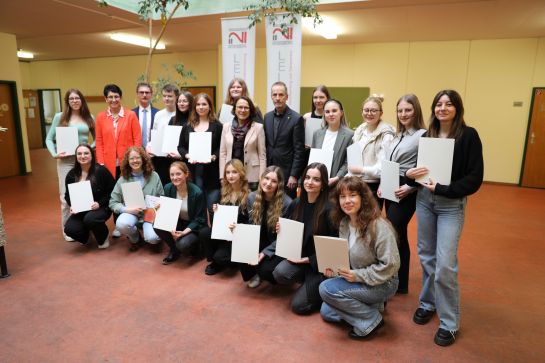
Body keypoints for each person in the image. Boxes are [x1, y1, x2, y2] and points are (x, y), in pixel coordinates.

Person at [406, 89, 483, 347]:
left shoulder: (469, 136)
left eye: (448, 104)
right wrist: (410, 174)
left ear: (457, 109)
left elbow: (474, 178)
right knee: (427, 257)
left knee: (446, 265)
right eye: (439, 104)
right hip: (425, 202)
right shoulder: (427, 135)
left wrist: (443, 189)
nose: (442, 108)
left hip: (451, 205)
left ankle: (449, 322)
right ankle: (428, 303)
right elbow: (420, 172)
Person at [319, 177, 400, 340]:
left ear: (363, 198)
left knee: (326, 289)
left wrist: (358, 275)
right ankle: (373, 306)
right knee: (326, 312)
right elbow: (346, 257)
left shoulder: (379, 226)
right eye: (342, 197)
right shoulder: (344, 223)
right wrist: (335, 270)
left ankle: (372, 320)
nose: (347, 201)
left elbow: (391, 265)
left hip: (384, 282)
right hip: (359, 278)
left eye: (353, 195)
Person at [271, 163, 337, 314]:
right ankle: (307, 284)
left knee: (298, 307)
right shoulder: (296, 203)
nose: (310, 182)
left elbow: (333, 249)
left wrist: (307, 260)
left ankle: (321, 287)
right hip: (301, 259)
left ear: (323, 184)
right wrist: (280, 230)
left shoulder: (330, 209)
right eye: (307, 177)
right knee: (279, 273)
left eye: (316, 179)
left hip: (321, 266)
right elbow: (287, 233)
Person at [379, 94, 426, 295]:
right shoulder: (399, 135)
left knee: (394, 229)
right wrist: (383, 183)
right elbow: (389, 163)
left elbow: (425, 167)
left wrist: (410, 187)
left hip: (407, 189)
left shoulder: (423, 135)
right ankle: (400, 282)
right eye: (400, 110)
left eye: (408, 110)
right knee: (398, 234)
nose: (403, 114)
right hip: (390, 185)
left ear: (415, 111)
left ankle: (396, 279)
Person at [45, 89, 95, 241]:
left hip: (84, 161)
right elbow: (49, 138)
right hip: (66, 161)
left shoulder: (89, 117)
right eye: (71, 98)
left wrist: (88, 149)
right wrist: (54, 153)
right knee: (64, 196)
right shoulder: (60, 117)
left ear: (82, 100)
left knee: (86, 194)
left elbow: (98, 138)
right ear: (67, 101)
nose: (74, 101)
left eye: (77, 98)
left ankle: (86, 226)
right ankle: (67, 230)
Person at [238, 166, 293, 288]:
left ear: (279, 184)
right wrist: (237, 230)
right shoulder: (252, 197)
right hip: (258, 239)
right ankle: (253, 274)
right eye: (266, 178)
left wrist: (263, 253)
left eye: (274, 181)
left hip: (276, 244)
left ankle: (264, 274)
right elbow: (249, 224)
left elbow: (285, 239)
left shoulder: (287, 203)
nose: (268, 183)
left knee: (266, 270)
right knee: (239, 245)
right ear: (261, 178)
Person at [109, 146, 164, 252]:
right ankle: (136, 239)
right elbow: (113, 202)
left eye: (138, 158)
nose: (135, 161)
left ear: (143, 159)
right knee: (121, 224)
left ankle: (151, 234)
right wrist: (126, 209)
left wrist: (157, 206)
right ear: (127, 161)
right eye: (132, 158)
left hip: (150, 215)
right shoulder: (123, 179)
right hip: (132, 213)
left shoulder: (154, 176)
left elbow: (162, 197)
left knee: (153, 239)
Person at [202, 159, 250, 275]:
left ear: (241, 173)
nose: (230, 175)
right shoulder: (223, 192)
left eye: (234, 172)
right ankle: (214, 260)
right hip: (225, 233)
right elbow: (216, 223)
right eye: (227, 172)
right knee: (204, 233)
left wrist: (237, 229)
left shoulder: (249, 195)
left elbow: (251, 222)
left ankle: (230, 260)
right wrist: (216, 212)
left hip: (239, 234)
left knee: (222, 258)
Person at [177, 93, 222, 214]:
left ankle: (213, 232)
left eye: (204, 104)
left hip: (212, 174)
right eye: (198, 104)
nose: (201, 107)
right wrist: (187, 155)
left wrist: (214, 156)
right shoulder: (187, 126)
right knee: (197, 209)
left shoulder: (217, 126)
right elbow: (180, 147)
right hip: (193, 172)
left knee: (213, 208)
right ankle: (199, 232)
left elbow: (221, 147)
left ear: (210, 106)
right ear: (194, 107)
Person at [64, 144, 115, 248]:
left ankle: (103, 237)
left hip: (101, 207)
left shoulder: (101, 171)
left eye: (86, 153)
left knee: (91, 219)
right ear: (76, 156)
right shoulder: (71, 175)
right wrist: (72, 205)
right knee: (69, 229)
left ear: (92, 155)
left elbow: (113, 191)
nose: (83, 156)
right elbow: (67, 195)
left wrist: (99, 203)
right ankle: (86, 237)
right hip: (81, 209)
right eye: (79, 154)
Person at [155, 161, 207, 265]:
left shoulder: (197, 193)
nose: (175, 177)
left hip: (193, 226)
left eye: (178, 174)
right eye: (172, 174)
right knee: (156, 225)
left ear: (186, 174)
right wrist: (158, 209)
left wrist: (184, 232)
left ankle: (197, 248)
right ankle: (174, 249)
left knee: (183, 244)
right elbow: (167, 212)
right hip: (178, 222)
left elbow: (200, 219)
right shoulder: (168, 188)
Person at [349, 94, 395, 207]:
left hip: (373, 186)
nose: (369, 113)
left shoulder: (387, 134)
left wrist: (361, 169)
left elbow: (383, 168)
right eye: (366, 110)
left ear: (381, 113)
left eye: (374, 110)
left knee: (370, 223)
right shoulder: (359, 130)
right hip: (356, 183)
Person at [263, 81, 305, 199]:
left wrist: (294, 175)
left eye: (281, 95)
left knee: (285, 207)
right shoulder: (267, 117)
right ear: (271, 96)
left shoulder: (296, 119)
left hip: (287, 174)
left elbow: (299, 150)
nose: (277, 98)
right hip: (269, 170)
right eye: (274, 95)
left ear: (286, 97)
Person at [219, 96, 266, 191]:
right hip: (231, 175)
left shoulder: (258, 128)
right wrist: (222, 176)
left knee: (250, 204)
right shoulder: (226, 127)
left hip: (252, 175)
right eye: (240, 107)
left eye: (246, 107)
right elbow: (223, 154)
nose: (243, 110)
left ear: (251, 110)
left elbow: (262, 155)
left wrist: (262, 177)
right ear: (235, 109)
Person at [95, 84, 142, 179]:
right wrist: (101, 162)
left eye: (116, 96)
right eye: (110, 97)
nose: (113, 100)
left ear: (120, 97)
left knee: (128, 189)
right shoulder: (100, 117)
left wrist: (135, 158)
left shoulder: (131, 115)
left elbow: (137, 139)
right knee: (111, 190)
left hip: (128, 161)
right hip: (107, 162)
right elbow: (99, 142)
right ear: (106, 99)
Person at [311, 99, 354, 186]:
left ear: (341, 113)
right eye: (327, 111)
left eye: (334, 111)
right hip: (317, 183)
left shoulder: (350, 135)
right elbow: (313, 159)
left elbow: (348, 162)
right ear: (324, 114)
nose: (331, 114)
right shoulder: (317, 134)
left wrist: (337, 177)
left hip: (338, 183)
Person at [148, 84, 180, 185]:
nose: (166, 98)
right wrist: (150, 147)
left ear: (176, 97)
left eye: (170, 96)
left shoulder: (181, 114)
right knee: (162, 184)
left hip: (176, 156)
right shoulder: (158, 114)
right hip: (160, 156)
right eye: (164, 96)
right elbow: (154, 134)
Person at [132, 82, 158, 149]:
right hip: (136, 153)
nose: (144, 95)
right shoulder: (131, 114)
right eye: (141, 92)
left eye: (147, 92)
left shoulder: (158, 113)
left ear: (151, 94)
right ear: (137, 94)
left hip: (153, 153)